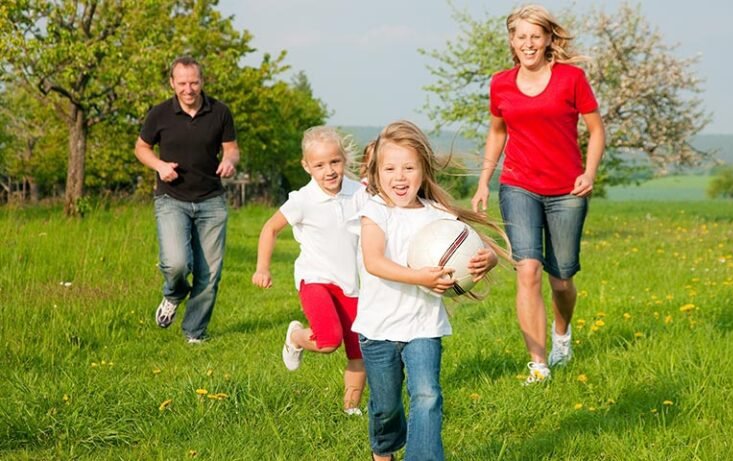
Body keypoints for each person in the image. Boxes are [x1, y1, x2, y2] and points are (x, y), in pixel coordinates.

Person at [354, 120, 509, 461]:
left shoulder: (437, 214)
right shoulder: (374, 210)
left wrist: (489, 260)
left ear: (423, 170)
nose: (400, 177)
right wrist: (420, 277)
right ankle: (384, 449)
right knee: (385, 407)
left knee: (428, 395)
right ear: (376, 173)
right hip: (378, 328)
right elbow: (374, 261)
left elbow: (480, 248)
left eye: (409, 168)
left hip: (423, 326)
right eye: (390, 168)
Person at [471, 4, 606, 384]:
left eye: (535, 36)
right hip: (518, 185)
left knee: (561, 279)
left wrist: (589, 173)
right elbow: (497, 131)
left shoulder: (571, 79)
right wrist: (484, 181)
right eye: (521, 37)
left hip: (567, 190)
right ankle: (539, 364)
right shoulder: (500, 83)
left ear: (548, 39)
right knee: (527, 269)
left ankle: (562, 334)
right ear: (512, 41)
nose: (528, 43)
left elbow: (597, 130)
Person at [252, 126, 368, 415]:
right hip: (315, 279)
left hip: (352, 284)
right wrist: (262, 268)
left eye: (335, 162)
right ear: (307, 166)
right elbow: (270, 228)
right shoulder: (302, 199)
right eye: (320, 165)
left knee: (359, 352)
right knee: (328, 341)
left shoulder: (359, 192)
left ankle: (350, 409)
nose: (329, 171)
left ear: (344, 160)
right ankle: (296, 337)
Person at [135, 56, 240, 344]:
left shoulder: (220, 112)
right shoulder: (159, 114)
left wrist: (229, 161)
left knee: (209, 273)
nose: (188, 89)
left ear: (202, 81)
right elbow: (141, 148)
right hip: (171, 199)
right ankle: (175, 292)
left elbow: (231, 149)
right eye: (182, 83)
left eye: (194, 82)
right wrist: (159, 166)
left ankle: (194, 332)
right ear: (172, 83)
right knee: (176, 264)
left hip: (211, 201)